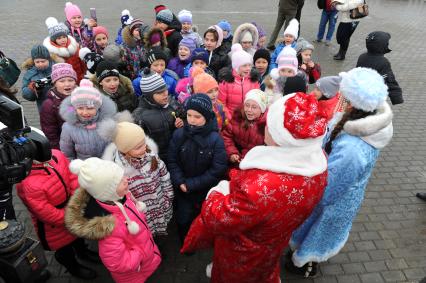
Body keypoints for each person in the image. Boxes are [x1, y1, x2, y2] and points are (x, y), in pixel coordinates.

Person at [181, 92, 329, 283]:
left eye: (270, 123)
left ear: (279, 135)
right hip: (275, 244)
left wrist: (219, 190)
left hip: (242, 253)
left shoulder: (261, 188)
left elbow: (216, 218)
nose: (265, 125)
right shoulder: (318, 167)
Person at [287, 68, 393, 277]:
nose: (339, 97)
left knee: (318, 235)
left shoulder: (353, 150)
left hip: (332, 202)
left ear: (354, 102)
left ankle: (306, 263)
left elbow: (331, 189)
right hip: (329, 194)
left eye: (343, 95)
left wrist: (307, 199)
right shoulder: (355, 121)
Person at [65, 157, 161, 283]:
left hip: (146, 255)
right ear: (107, 192)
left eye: (122, 176)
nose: (126, 180)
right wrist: (141, 254)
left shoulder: (120, 197)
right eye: (120, 181)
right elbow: (115, 263)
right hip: (135, 273)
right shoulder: (110, 227)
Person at [16, 148, 97, 280]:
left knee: (77, 235)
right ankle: (73, 267)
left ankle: (83, 252)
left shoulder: (56, 154)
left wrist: (76, 200)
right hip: (54, 225)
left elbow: (71, 176)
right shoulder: (27, 183)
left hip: (71, 206)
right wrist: (69, 216)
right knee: (64, 247)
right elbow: (45, 212)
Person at [168, 94, 228, 243]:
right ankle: (186, 241)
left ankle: (202, 241)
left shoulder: (215, 139)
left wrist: (192, 184)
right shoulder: (179, 134)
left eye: (197, 116)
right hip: (183, 190)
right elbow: (172, 160)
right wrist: (180, 181)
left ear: (207, 117)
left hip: (204, 190)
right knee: (183, 219)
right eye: (189, 115)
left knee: (205, 218)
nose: (192, 120)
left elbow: (217, 169)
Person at [100, 117, 173, 237]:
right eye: (138, 147)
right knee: (147, 235)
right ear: (125, 149)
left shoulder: (152, 157)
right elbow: (120, 198)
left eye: (143, 143)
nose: (144, 148)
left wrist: (167, 198)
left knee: (159, 232)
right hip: (141, 213)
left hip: (160, 204)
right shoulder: (118, 172)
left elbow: (165, 178)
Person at [133, 69, 184, 162]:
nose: (165, 94)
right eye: (160, 92)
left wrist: (181, 124)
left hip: (177, 153)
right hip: (157, 159)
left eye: (165, 90)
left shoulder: (172, 103)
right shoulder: (139, 116)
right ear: (149, 95)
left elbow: (185, 118)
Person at [59, 79, 117, 160]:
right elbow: (67, 154)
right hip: (83, 169)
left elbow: (114, 147)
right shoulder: (68, 127)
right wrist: (73, 169)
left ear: (98, 107)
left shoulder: (108, 122)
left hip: (107, 166)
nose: (85, 112)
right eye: (80, 108)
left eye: (90, 108)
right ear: (74, 108)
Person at [356, 31, 403, 105]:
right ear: (383, 45)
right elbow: (389, 80)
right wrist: (397, 97)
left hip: (359, 94)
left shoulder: (362, 57)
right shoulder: (383, 62)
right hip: (374, 97)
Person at [222, 89, 267, 166]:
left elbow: (268, 149)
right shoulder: (238, 117)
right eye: (247, 105)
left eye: (254, 107)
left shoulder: (267, 124)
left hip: (256, 162)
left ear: (262, 109)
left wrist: (250, 159)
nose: (249, 110)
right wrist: (232, 153)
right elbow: (226, 136)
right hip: (237, 159)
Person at [40, 63, 77, 150]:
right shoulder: (49, 105)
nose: (67, 84)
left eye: (70, 80)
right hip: (65, 148)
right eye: (62, 81)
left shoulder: (82, 96)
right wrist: (60, 152)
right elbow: (50, 134)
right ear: (55, 84)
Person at [218, 44, 260, 115]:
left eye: (249, 65)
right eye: (244, 65)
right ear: (236, 67)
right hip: (231, 118)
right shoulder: (226, 81)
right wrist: (228, 118)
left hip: (248, 118)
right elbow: (221, 104)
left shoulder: (254, 80)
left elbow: (257, 100)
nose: (248, 68)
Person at [21, 45, 57, 111]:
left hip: (61, 106)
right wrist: (33, 89)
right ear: (33, 62)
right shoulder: (30, 74)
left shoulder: (57, 68)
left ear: (48, 59)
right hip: (44, 108)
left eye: (43, 61)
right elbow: (25, 94)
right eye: (37, 62)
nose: (40, 64)